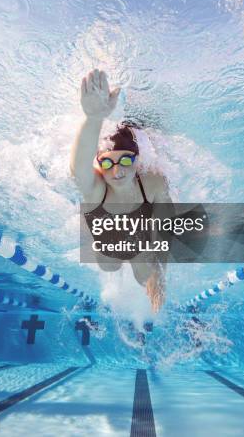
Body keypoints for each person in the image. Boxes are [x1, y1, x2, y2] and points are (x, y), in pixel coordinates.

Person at [70, 69, 173, 313]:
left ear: (137, 160)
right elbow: (79, 169)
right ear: (100, 165)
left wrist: (160, 272)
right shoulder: (97, 190)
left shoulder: (153, 184)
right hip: (109, 243)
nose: (117, 171)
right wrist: (93, 118)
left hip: (141, 240)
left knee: (145, 275)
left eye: (125, 160)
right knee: (109, 267)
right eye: (107, 162)